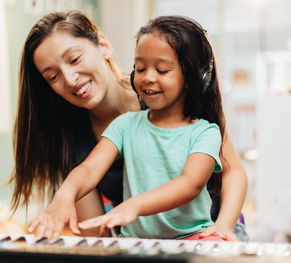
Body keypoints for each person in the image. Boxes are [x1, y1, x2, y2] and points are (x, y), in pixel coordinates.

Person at [11, 11, 247, 241]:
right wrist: (62, 198)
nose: (70, 79)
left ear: (103, 45)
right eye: (53, 76)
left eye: (74, 59)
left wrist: (224, 225)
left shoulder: (189, 107)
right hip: (144, 241)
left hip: (210, 231)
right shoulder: (97, 134)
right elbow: (92, 211)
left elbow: (225, 173)